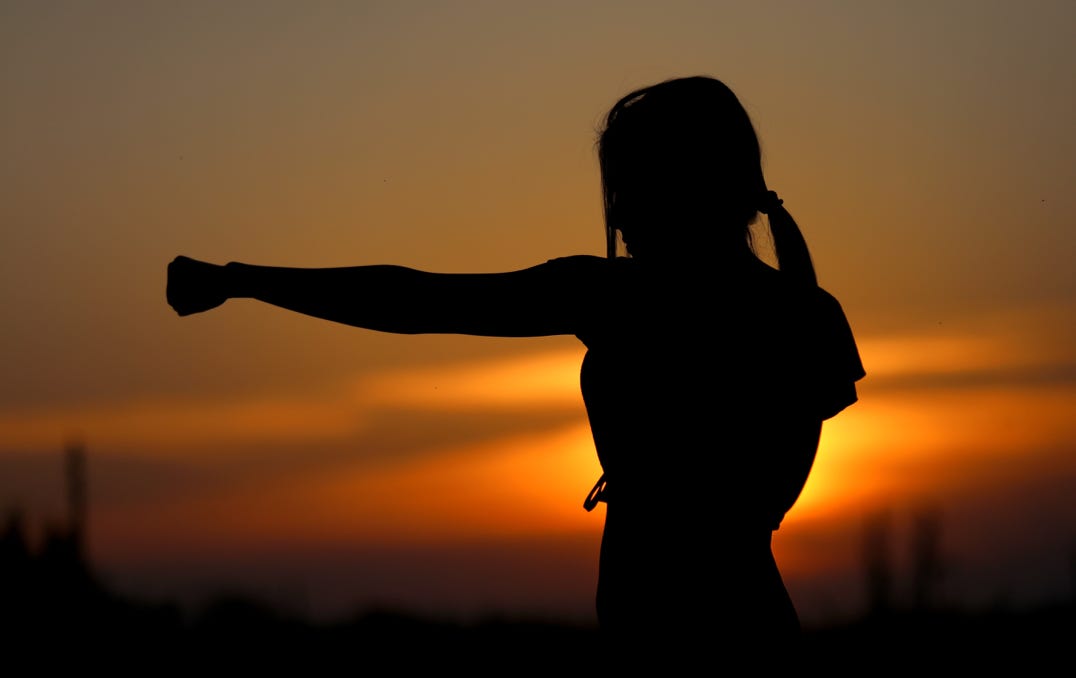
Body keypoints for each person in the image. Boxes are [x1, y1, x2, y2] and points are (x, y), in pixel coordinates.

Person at [167, 76, 865, 649]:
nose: (618, 214)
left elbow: (419, 302)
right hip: (735, 633)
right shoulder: (804, 315)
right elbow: (419, 300)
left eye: (633, 187)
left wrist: (243, 280)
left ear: (688, 183)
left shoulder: (622, 302)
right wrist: (246, 280)